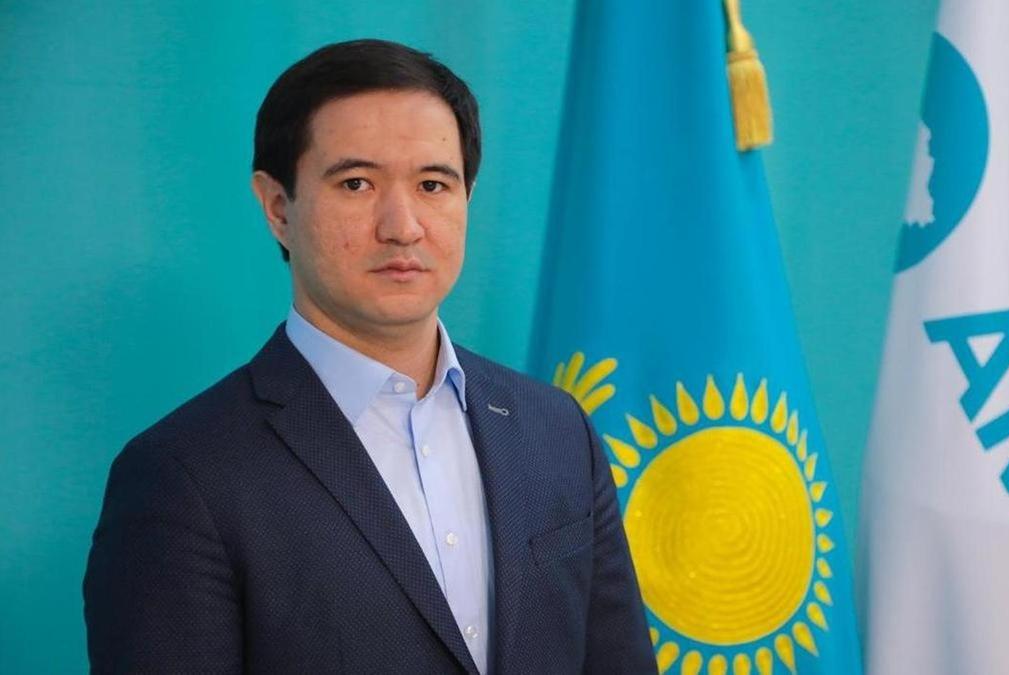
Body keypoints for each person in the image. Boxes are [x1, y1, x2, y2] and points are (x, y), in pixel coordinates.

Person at [83, 39, 655, 674]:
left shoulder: (556, 427)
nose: (403, 226)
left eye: (433, 184)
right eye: (356, 183)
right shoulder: (183, 475)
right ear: (278, 208)